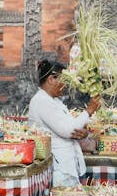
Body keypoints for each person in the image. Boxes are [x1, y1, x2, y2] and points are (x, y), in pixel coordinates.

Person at [28, 59, 101, 187]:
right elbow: (69, 130)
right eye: (64, 80)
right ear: (51, 79)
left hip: (66, 164)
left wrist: (83, 134)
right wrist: (89, 111)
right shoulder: (42, 101)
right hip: (59, 167)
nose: (66, 85)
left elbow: (73, 127)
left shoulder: (54, 101)